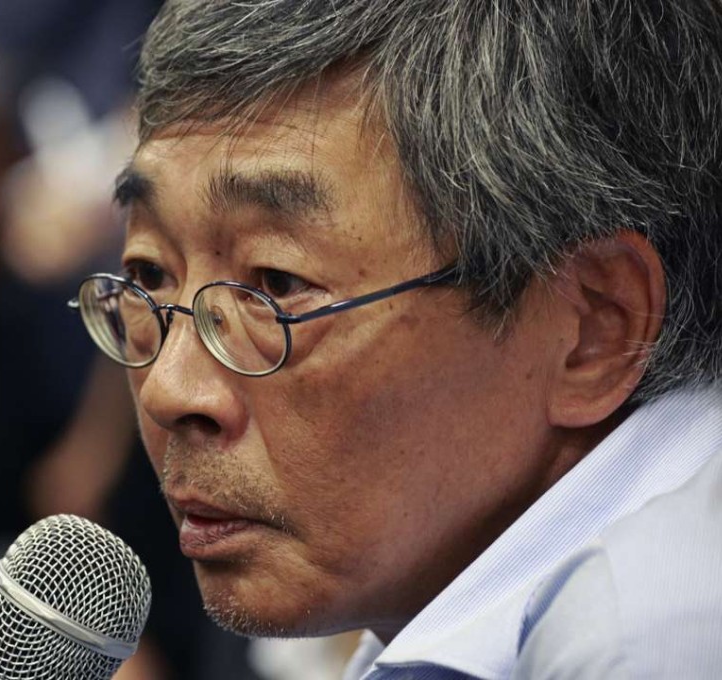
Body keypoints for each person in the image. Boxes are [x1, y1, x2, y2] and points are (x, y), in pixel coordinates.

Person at [65, 1, 722, 678]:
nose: (172, 390)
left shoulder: (653, 638)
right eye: (147, 272)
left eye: (275, 286)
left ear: (593, 329)